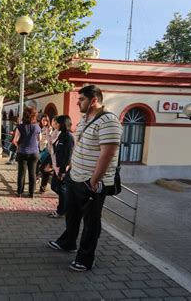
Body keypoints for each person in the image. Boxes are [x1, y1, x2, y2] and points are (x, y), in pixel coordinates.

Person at [47, 85, 123, 272]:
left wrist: (94, 181)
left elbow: (108, 154)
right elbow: (79, 146)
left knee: (91, 222)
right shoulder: (84, 119)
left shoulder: (109, 121)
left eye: (81, 99)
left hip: (92, 182)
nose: (77, 102)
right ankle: (68, 243)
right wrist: (70, 168)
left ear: (94, 100)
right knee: (72, 214)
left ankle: (85, 259)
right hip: (75, 176)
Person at [49, 115, 75, 218]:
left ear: (63, 124)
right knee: (55, 186)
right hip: (57, 167)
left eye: (58, 123)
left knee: (61, 188)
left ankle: (61, 210)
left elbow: (68, 155)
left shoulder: (69, 137)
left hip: (64, 168)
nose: (56, 124)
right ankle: (65, 206)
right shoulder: (62, 135)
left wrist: (63, 171)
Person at [13, 107, 41, 198]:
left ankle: (20, 192)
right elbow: (39, 139)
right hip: (34, 153)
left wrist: (19, 146)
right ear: (34, 116)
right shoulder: (37, 127)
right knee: (33, 173)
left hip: (22, 152)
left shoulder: (20, 127)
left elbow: (15, 140)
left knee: (21, 173)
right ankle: (31, 193)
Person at [37, 115, 51, 192]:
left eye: (46, 120)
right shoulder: (40, 128)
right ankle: (37, 179)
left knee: (44, 169)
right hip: (39, 149)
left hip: (46, 150)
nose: (44, 121)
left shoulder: (49, 128)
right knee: (39, 167)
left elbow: (49, 139)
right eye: (43, 120)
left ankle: (43, 186)